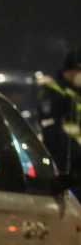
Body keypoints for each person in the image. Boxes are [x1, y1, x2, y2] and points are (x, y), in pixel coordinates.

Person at [38, 49, 81, 180]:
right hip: (65, 165)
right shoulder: (53, 93)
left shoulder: (76, 92)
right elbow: (52, 132)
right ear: (73, 70)